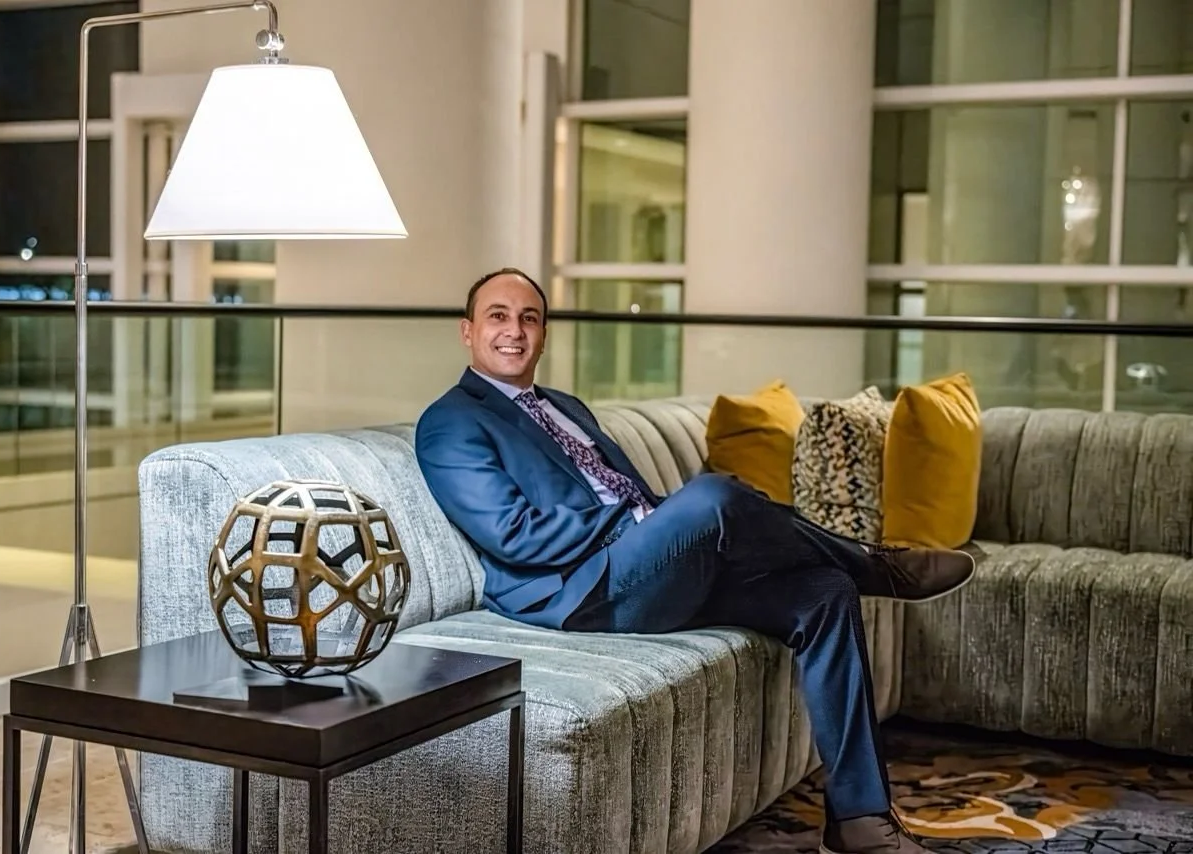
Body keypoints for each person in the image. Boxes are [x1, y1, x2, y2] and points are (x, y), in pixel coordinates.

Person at [414, 267, 977, 854]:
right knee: (714, 495)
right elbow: (515, 535)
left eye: (529, 317)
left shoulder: (564, 406)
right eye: (497, 317)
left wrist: (651, 522)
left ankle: (858, 819)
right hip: (579, 590)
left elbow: (627, 494)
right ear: (467, 331)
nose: (515, 330)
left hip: (645, 568)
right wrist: (641, 522)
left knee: (823, 590)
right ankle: (876, 564)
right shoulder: (451, 420)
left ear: (545, 333)